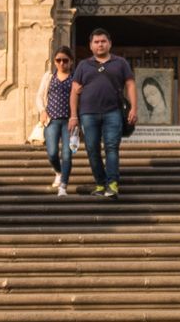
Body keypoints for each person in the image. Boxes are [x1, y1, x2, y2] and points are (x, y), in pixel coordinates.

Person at [72, 28, 136, 198]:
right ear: (91, 45)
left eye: (103, 41)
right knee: (92, 149)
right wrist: (73, 116)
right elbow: (73, 91)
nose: (100, 44)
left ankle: (112, 184)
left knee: (111, 147)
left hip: (112, 112)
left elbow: (130, 85)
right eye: (96, 42)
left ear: (109, 44)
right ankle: (100, 184)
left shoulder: (120, 63)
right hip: (88, 114)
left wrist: (134, 108)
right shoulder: (83, 65)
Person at [36, 47, 79, 196]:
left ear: (71, 62)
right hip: (52, 120)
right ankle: (59, 172)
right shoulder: (49, 77)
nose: (61, 63)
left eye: (65, 60)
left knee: (67, 154)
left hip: (69, 122)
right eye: (58, 60)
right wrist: (42, 110)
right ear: (54, 62)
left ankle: (63, 186)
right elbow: (39, 96)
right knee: (52, 153)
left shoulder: (75, 78)